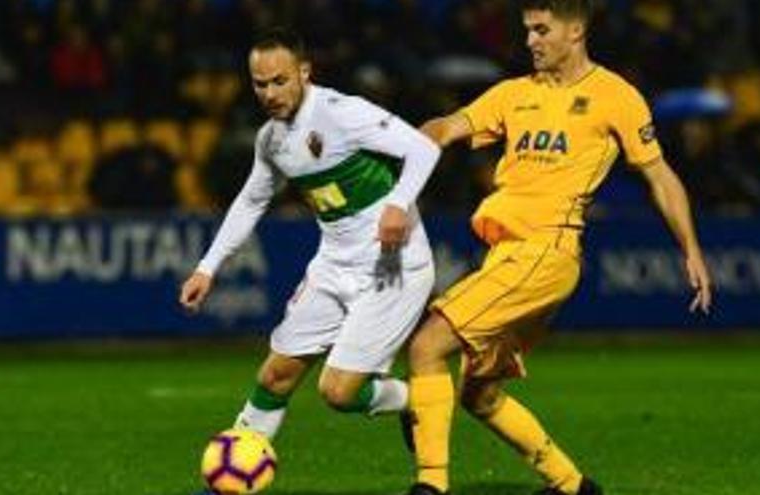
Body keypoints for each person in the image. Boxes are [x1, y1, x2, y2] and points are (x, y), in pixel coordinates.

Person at [402, 1, 713, 494]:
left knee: (426, 347)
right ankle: (573, 486)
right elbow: (450, 124)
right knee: (479, 395)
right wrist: (419, 140)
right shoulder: (513, 94)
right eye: (527, 30)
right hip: (506, 255)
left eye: (542, 30)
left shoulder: (616, 96)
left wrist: (691, 250)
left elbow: (659, 174)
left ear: (576, 30)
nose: (530, 41)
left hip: (546, 251)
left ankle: (430, 486)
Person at [179, 29, 440, 441]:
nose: (269, 93)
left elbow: (424, 148)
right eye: (260, 84)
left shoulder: (342, 112)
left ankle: (421, 402)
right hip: (334, 264)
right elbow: (250, 201)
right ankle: (228, 483)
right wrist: (206, 268)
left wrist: (399, 202)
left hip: (392, 266)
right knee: (275, 376)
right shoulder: (271, 139)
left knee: (338, 392)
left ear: (304, 72)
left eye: (279, 81)